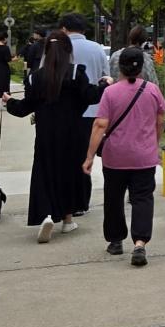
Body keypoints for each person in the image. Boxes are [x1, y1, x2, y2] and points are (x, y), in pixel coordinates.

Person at [4, 31, 111, 243]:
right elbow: (90, 96)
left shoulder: (35, 77)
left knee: (45, 173)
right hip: (72, 134)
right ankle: (68, 220)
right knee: (69, 174)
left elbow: (25, 107)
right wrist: (105, 83)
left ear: (46, 51)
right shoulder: (74, 73)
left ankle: (45, 215)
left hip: (45, 135)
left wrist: (9, 102)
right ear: (68, 51)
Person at [84, 47, 165, 266]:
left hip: (115, 157)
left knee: (113, 199)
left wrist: (90, 156)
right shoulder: (152, 91)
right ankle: (140, 243)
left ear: (119, 67)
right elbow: (160, 121)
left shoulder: (110, 93)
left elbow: (100, 124)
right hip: (144, 157)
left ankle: (116, 241)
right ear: (141, 67)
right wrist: (154, 143)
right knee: (142, 198)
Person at [60, 13, 109, 212]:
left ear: (64, 28)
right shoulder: (97, 48)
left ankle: (70, 202)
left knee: (67, 157)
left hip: (67, 111)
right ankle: (83, 200)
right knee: (86, 157)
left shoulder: (60, 48)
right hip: (94, 111)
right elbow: (106, 78)